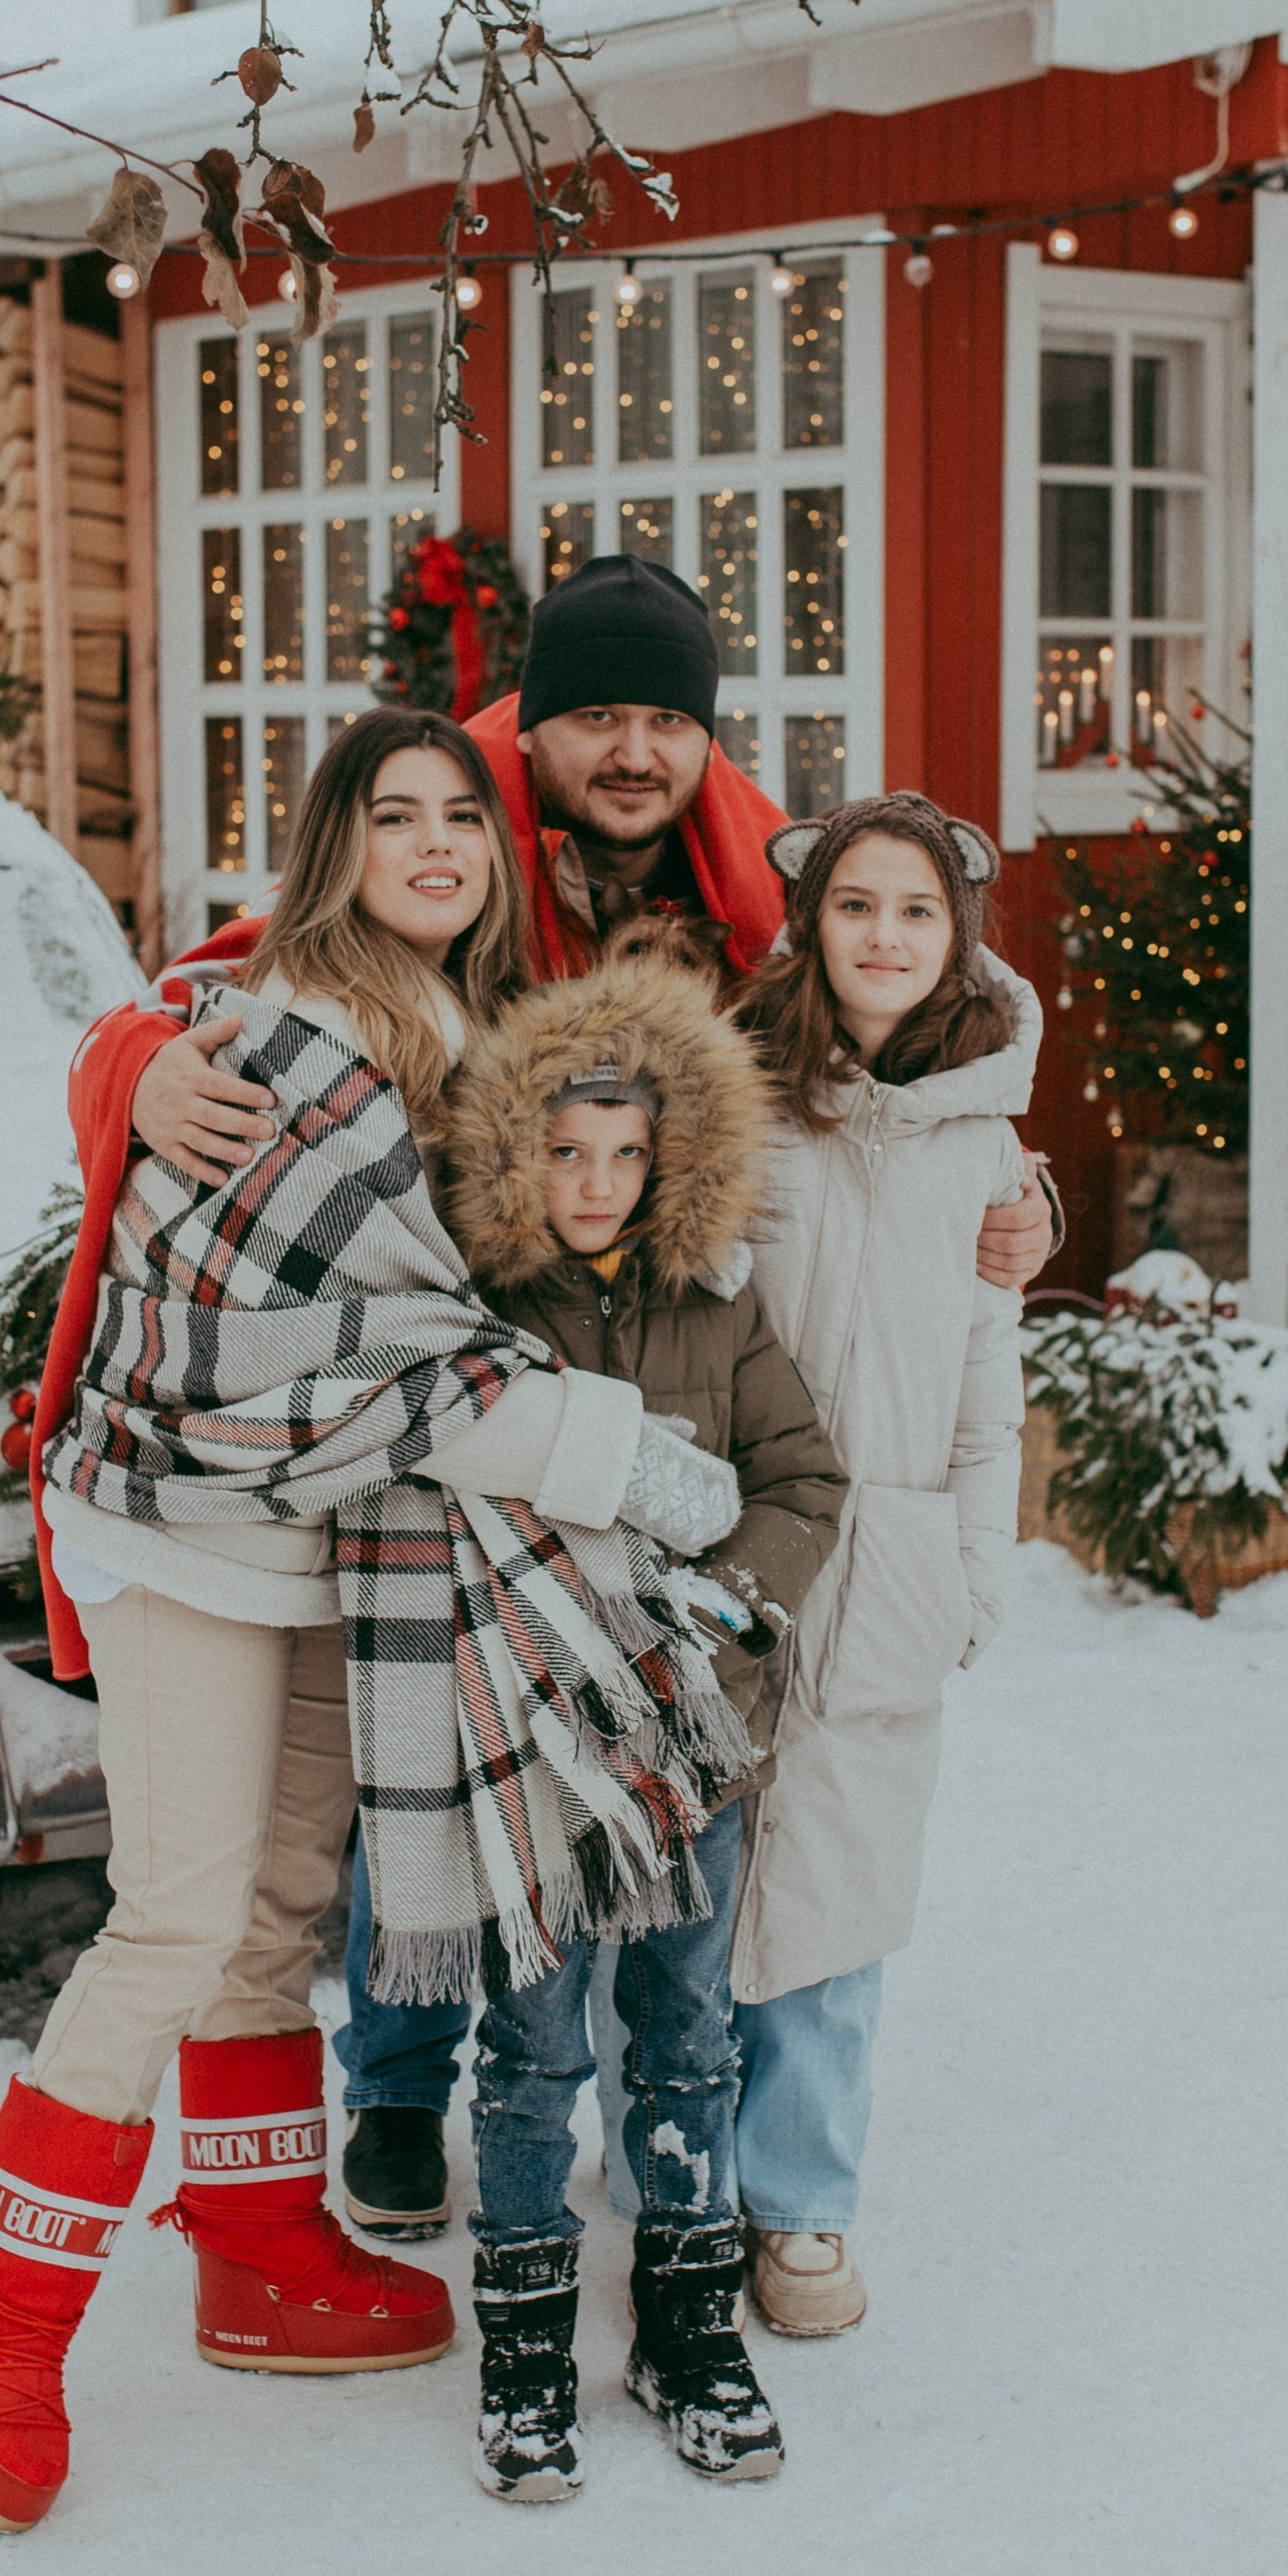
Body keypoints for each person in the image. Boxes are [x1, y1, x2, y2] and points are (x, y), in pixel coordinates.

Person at [88, 555, 1058, 2238]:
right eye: (595, 714)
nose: (632, 749)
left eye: (665, 719)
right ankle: (397, 2084)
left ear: (703, 737)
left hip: (655, 1356)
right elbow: (243, 981)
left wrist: (1008, 1189)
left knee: (621, 1742)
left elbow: (888, 1043)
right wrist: (132, 1061)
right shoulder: (451, 841)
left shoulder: (745, 890)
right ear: (530, 727)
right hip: (451, 1363)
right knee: (428, 1715)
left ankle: (649, 2100)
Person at [0, 711, 747, 2533]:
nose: (435, 844)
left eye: (461, 821)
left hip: (305, 1531)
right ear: (332, 844)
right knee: (181, 1906)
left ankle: (262, 2246)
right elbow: (393, 1350)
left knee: (281, 1894)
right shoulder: (290, 1030)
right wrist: (617, 1453)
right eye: (392, 815)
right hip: (188, 1518)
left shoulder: (449, 1029)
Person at [435, 956, 847, 2494]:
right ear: (515, 1154)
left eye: (627, 1153)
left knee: (688, 2037)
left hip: (695, 1745)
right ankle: (529, 2340)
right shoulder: (480, 1313)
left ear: (672, 1159)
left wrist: (735, 1603)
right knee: (533, 2047)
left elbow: (804, 1481)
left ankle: (686, 2320)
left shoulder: (716, 1313)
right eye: (565, 1149)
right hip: (536, 1747)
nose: (596, 1181)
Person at [721, 791, 1035, 2339]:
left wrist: (975, 1571)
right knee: (698, 1877)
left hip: (894, 1558)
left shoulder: (985, 1147)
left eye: (917, 911)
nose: (887, 937)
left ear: (956, 933)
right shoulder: (743, 1098)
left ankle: (803, 2208)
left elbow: (991, 1387)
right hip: (731, 1548)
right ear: (811, 922)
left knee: (840, 1901)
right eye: (859, 906)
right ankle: (676, 2175)